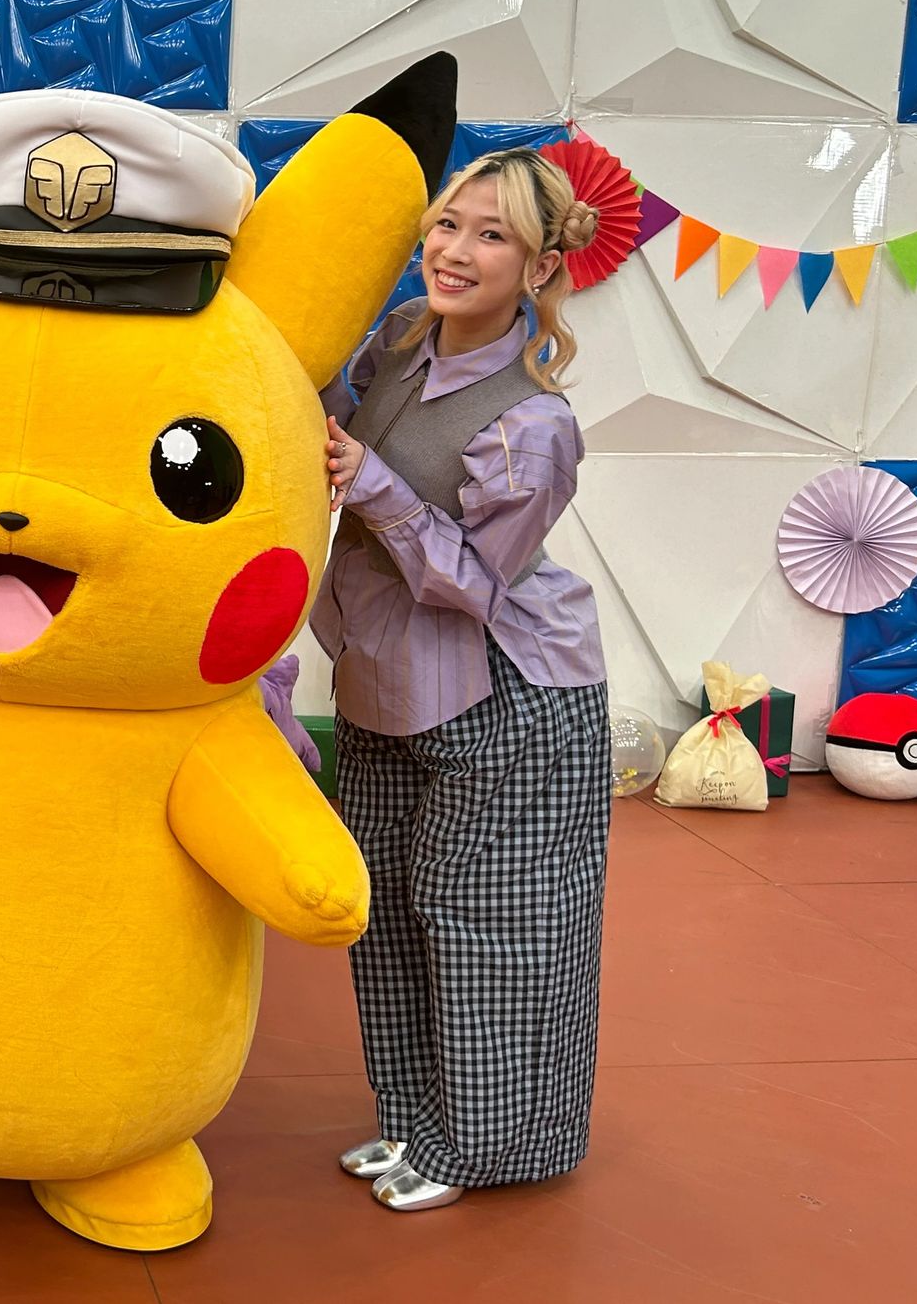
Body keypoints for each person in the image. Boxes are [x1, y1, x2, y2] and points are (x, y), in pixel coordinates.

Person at [313, 147, 611, 1211]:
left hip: (508, 689)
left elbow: (474, 584)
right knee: (386, 908)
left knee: (489, 922)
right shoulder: (399, 342)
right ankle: (412, 1126)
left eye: (492, 236)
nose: (455, 251)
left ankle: (480, 1147)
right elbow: (316, 397)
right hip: (386, 677)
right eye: (448, 224)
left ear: (535, 269)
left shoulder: (535, 423)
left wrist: (373, 483)